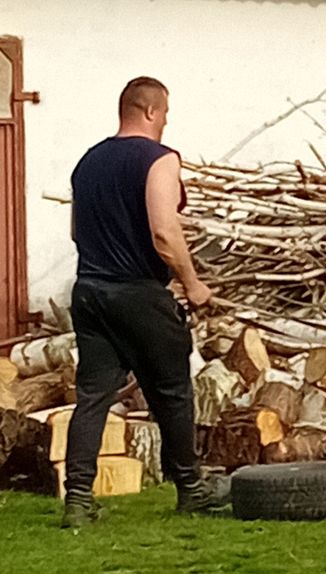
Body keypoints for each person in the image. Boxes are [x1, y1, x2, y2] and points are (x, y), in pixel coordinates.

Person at [63, 76, 228, 528]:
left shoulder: (88, 162)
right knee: (173, 390)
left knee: (92, 397)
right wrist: (192, 283)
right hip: (138, 291)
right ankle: (191, 489)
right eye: (166, 114)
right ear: (152, 111)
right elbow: (163, 230)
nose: (166, 122)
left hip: (90, 291)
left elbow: (77, 232)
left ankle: (77, 500)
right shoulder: (159, 159)